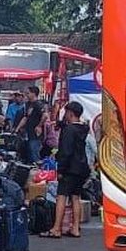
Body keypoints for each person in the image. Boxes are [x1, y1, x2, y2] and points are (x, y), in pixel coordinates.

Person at [46, 101, 91, 239]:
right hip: (81, 168)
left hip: (69, 168)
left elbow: (66, 151)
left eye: (66, 112)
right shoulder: (83, 129)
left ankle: (56, 228)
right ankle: (75, 228)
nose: (64, 115)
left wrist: (60, 169)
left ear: (70, 113)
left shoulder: (69, 130)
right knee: (76, 197)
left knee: (61, 196)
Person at [14, 86, 46, 162]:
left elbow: (45, 115)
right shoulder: (28, 104)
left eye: (28, 93)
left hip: (36, 135)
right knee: (28, 154)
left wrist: (39, 126)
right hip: (28, 133)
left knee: (34, 154)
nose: (26, 95)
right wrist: (17, 129)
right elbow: (25, 118)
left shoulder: (38, 104)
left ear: (34, 94)